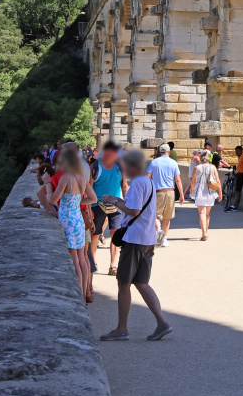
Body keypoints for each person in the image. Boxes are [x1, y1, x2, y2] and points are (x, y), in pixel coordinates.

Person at [100, 149, 172, 343]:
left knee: (123, 283)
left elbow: (133, 210)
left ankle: (121, 329)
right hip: (147, 239)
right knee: (141, 282)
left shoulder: (138, 183)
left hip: (135, 240)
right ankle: (162, 322)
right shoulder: (148, 181)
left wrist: (114, 200)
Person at [49, 146, 96, 304]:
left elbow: (53, 200)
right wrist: (77, 201)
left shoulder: (65, 178)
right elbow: (93, 198)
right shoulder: (81, 178)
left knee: (74, 259)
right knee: (81, 259)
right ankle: (83, 294)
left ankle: (77, 296)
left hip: (67, 219)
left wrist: (47, 184)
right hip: (78, 219)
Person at [91, 141, 127, 275]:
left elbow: (124, 185)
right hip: (97, 204)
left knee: (115, 235)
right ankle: (93, 262)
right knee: (95, 235)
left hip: (115, 204)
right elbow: (89, 186)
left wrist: (128, 203)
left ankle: (113, 265)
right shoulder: (95, 166)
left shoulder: (120, 166)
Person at [149, 142, 184, 247]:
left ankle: (158, 230)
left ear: (160, 152)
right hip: (170, 192)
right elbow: (177, 180)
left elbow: (147, 177)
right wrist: (182, 194)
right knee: (167, 216)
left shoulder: (154, 162)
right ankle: (164, 239)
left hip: (158, 192)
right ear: (168, 152)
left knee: (155, 215)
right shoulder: (173, 163)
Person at [188, 147, 223, 240]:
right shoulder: (213, 167)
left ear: (201, 159)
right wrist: (220, 192)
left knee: (201, 213)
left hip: (200, 192)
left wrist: (192, 190)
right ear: (208, 158)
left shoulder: (196, 168)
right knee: (207, 213)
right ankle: (206, 231)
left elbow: (193, 181)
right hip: (210, 192)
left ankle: (203, 233)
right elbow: (218, 180)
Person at [226, 145, 243, 211]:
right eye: (235, 151)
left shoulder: (242, 156)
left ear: (240, 151)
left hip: (241, 175)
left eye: (237, 151)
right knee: (237, 190)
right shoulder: (240, 157)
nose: (236, 152)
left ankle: (233, 206)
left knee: (238, 191)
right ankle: (233, 205)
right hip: (239, 174)